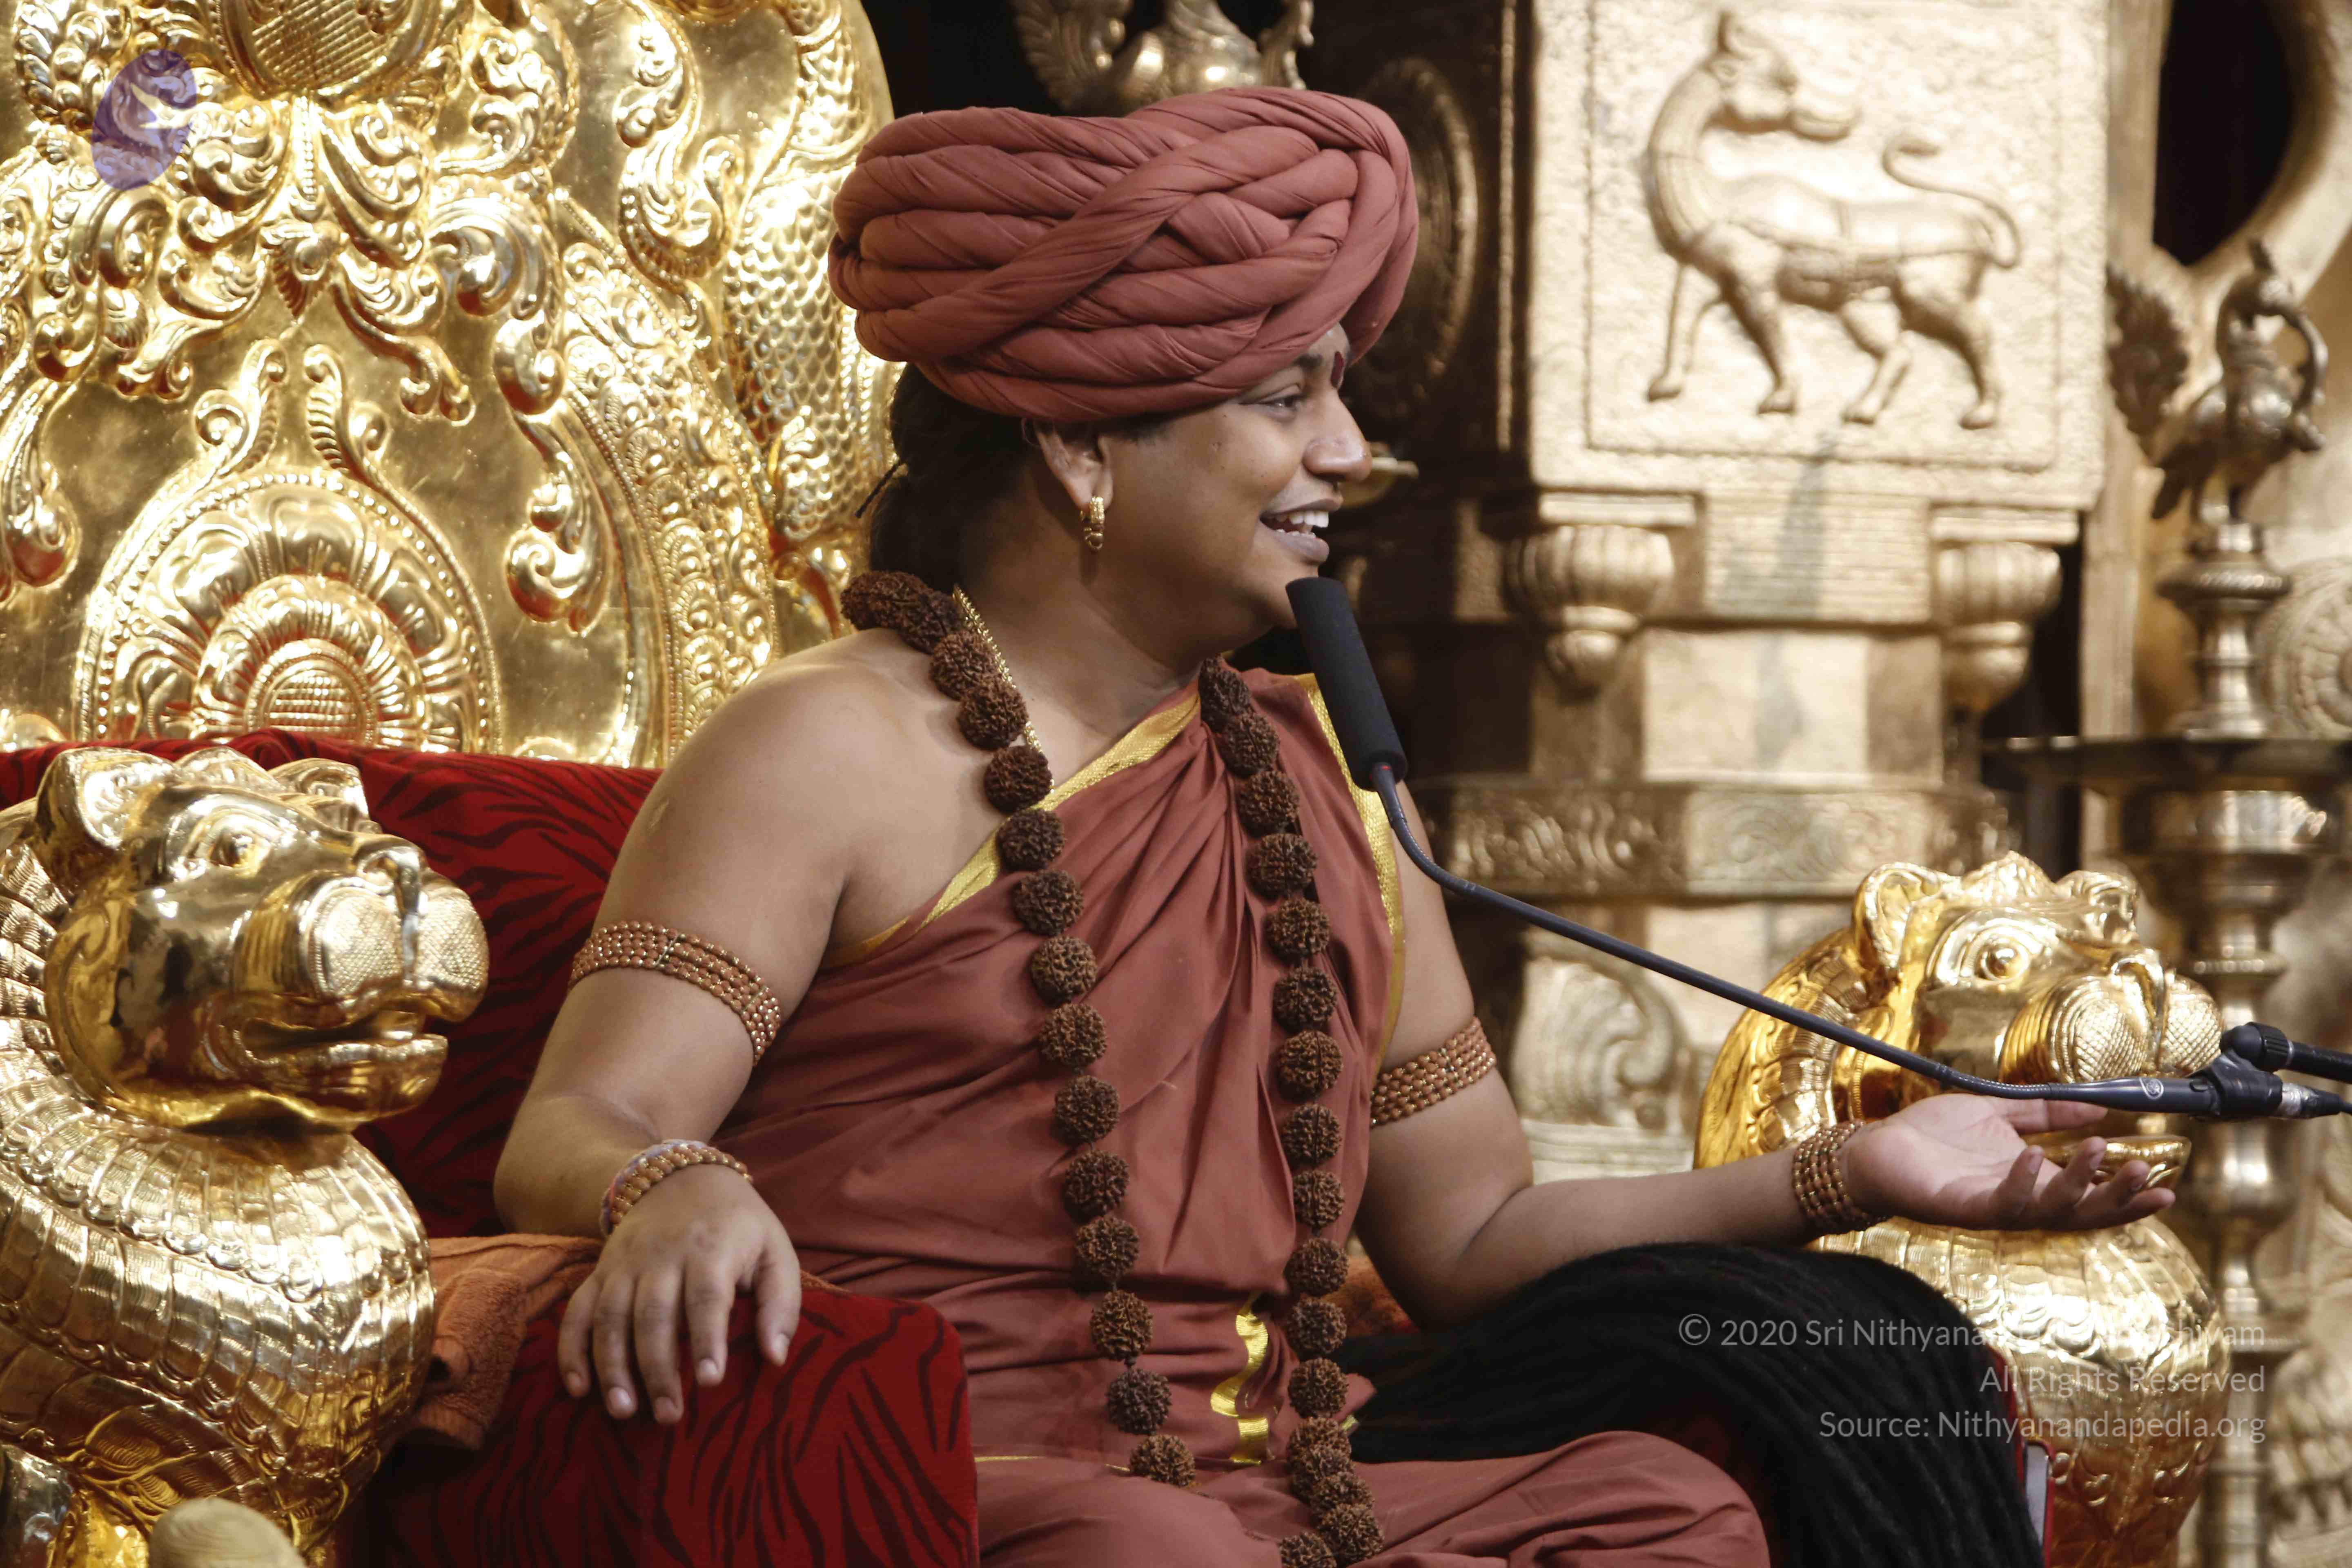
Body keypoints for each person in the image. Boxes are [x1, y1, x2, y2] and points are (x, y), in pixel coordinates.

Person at [492, 86, 2169, 1567]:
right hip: (933, 1489)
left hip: (1278, 1501)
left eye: (1339, 396)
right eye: (1289, 398)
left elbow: (1474, 1243)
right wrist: (670, 1187)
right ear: (1082, 443)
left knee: (1672, 1511)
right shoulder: (828, 744)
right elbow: (581, 1115)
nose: (1350, 454)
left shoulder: (1330, 799)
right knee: (1145, 1547)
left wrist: (1852, 1170)